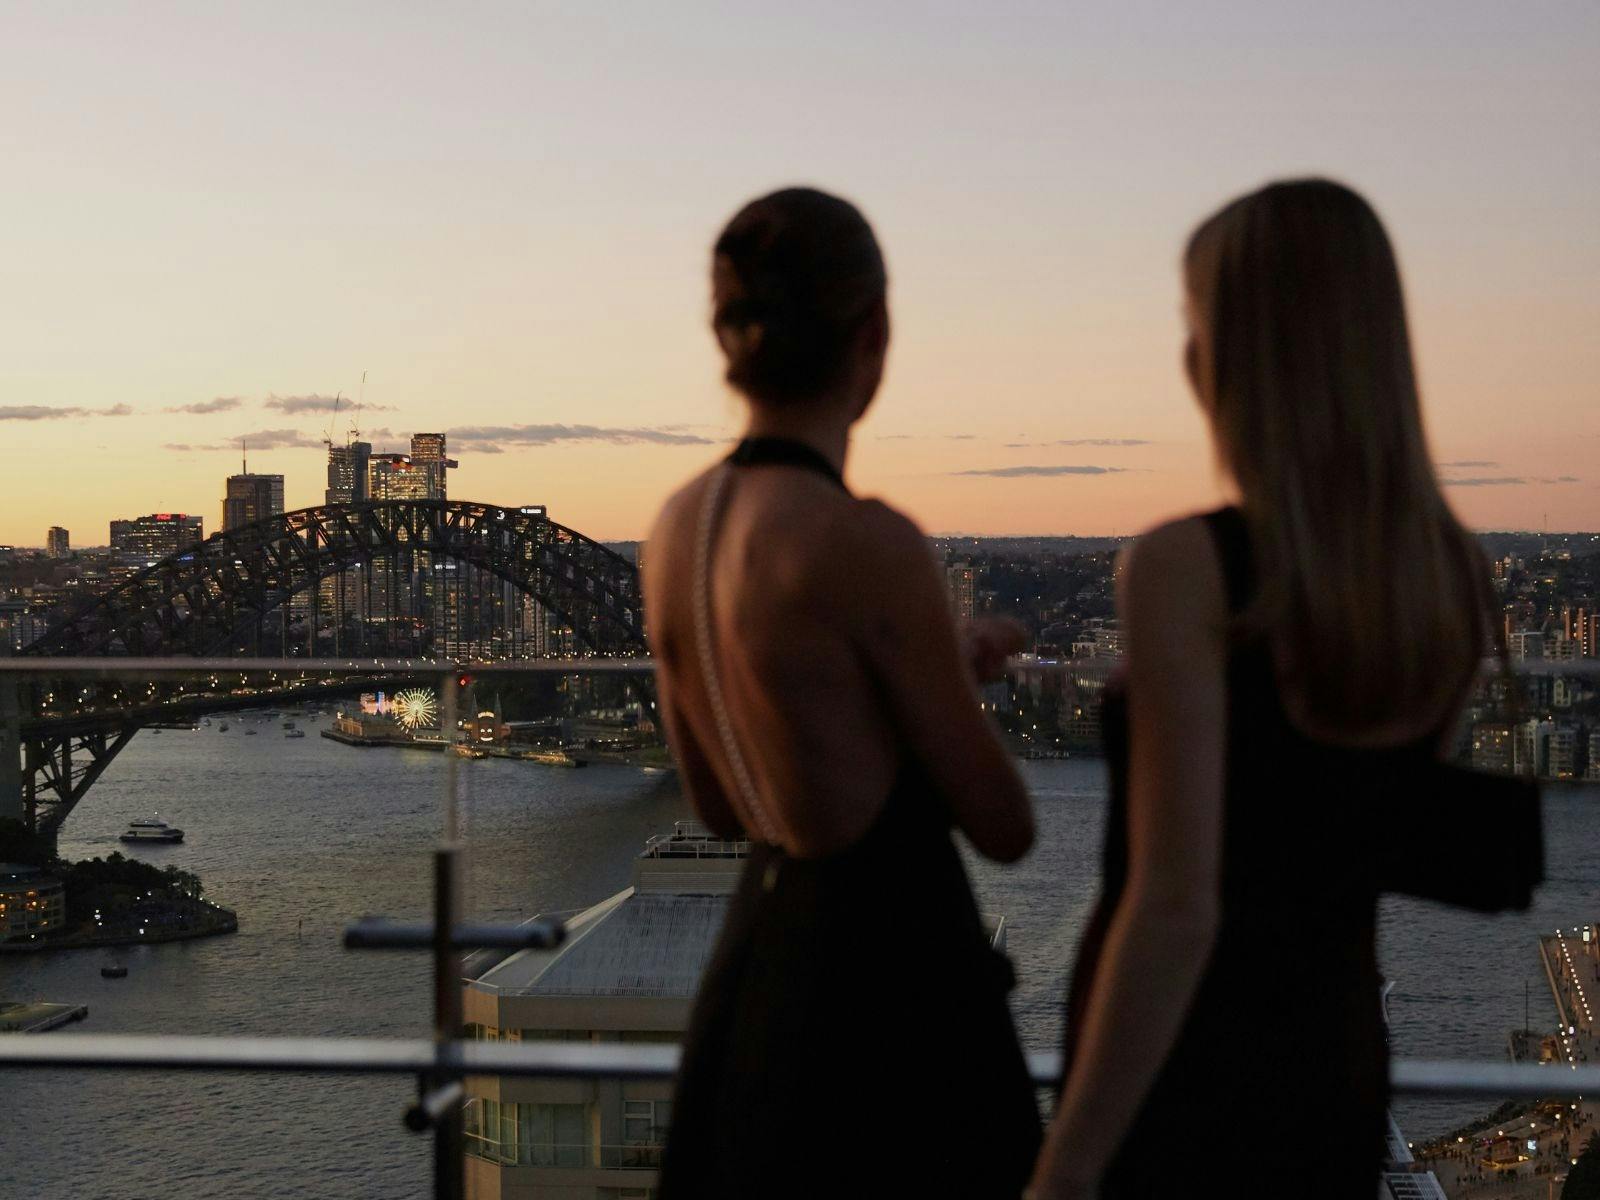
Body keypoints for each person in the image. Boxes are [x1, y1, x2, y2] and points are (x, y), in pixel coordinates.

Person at [1028, 179, 1503, 1198]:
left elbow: (1176, 909)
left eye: (1195, 322)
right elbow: (1355, 819)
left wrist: (1062, 1168)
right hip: (1332, 1060)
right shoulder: (1445, 574)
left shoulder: (1183, 569)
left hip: (1187, 1071)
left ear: (1236, 354)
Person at [644, 186, 1041, 1198]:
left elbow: (720, 803)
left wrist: (907, 669)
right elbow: (1003, 824)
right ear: (875, 332)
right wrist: (945, 681)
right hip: (890, 1015)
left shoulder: (673, 531)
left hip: (755, 990)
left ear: (726, 334)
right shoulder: (866, 542)